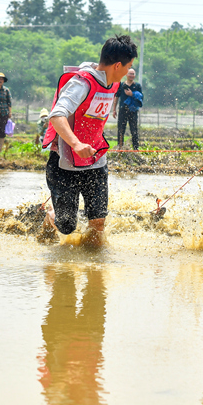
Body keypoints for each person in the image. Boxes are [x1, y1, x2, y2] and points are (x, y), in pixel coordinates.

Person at [41, 35, 138, 248]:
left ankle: (94, 271)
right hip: (65, 161)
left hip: (95, 158)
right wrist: (76, 144)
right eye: (129, 66)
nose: (130, 71)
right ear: (118, 65)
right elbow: (57, 115)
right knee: (67, 225)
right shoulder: (82, 83)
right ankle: (51, 216)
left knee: (98, 222)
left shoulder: (113, 82)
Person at [111, 68, 143, 150]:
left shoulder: (137, 86)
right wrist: (114, 110)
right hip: (122, 110)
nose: (131, 75)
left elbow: (141, 97)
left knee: (134, 130)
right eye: (130, 74)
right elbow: (116, 97)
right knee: (121, 129)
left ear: (135, 75)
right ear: (126, 74)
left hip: (133, 110)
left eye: (133, 74)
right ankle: (120, 147)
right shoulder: (121, 85)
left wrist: (132, 94)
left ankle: (136, 148)